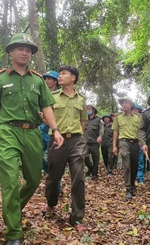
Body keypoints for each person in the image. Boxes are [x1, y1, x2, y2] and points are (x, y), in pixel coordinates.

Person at [0, 33, 63, 245]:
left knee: (34, 179)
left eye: (28, 50)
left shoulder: (37, 80)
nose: (25, 52)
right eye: (20, 48)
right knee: (9, 181)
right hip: (8, 132)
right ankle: (13, 233)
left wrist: (55, 130)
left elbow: (46, 107)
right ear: (11, 51)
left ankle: (12, 209)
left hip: (33, 132)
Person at [43, 65, 88, 231]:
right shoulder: (52, 96)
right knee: (54, 177)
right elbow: (46, 120)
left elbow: (83, 123)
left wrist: (78, 138)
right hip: (56, 140)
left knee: (78, 178)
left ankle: (77, 218)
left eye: (63, 74)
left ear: (73, 78)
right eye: (59, 74)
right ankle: (51, 203)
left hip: (76, 141)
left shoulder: (81, 99)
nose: (59, 77)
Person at [112, 96, 141, 199]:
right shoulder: (118, 117)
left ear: (131, 105)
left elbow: (141, 131)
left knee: (134, 165)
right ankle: (128, 188)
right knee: (126, 165)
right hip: (123, 142)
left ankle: (132, 183)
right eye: (122, 103)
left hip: (135, 143)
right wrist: (114, 146)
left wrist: (143, 142)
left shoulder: (138, 117)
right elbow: (116, 131)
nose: (124, 104)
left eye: (126, 103)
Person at [39, 71, 62, 194]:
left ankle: (57, 185)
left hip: (53, 131)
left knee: (54, 159)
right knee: (37, 157)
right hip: (41, 129)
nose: (47, 81)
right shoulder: (40, 93)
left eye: (50, 79)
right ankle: (54, 178)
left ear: (55, 81)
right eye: (46, 78)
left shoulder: (59, 95)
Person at [84, 104, 104, 181]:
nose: (88, 110)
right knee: (84, 157)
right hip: (85, 142)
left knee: (96, 159)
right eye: (87, 109)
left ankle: (94, 175)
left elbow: (102, 129)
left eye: (89, 108)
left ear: (93, 110)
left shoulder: (98, 120)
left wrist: (100, 136)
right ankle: (91, 169)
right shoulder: (84, 119)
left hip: (95, 143)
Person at [133, 104, 145, 184]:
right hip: (132, 142)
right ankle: (133, 177)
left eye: (137, 110)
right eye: (134, 110)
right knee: (133, 160)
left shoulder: (143, 119)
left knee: (141, 160)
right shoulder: (129, 118)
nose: (136, 112)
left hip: (141, 142)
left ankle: (140, 177)